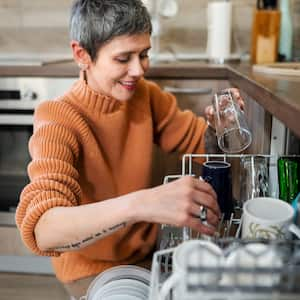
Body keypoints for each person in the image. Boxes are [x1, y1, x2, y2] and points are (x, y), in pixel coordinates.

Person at [15, 0, 244, 299]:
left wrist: (219, 127)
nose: (138, 70)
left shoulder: (145, 96)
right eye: (123, 58)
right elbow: (44, 232)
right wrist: (143, 204)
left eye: (144, 54)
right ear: (82, 55)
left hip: (148, 255)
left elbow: (201, 145)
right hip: (91, 268)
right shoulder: (58, 117)